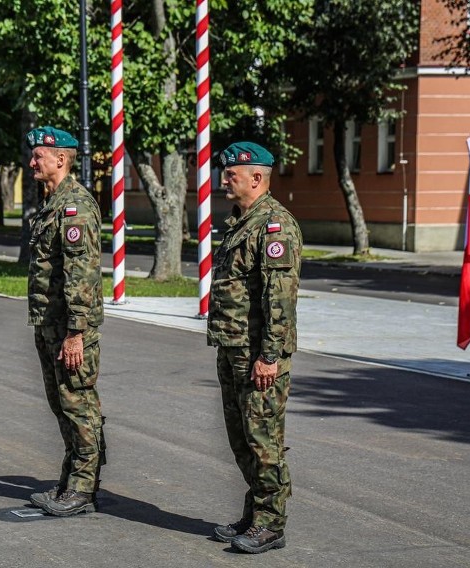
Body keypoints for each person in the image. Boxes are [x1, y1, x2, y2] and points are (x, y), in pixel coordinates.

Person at [207, 141, 302, 553]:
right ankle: (255, 512)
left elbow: (278, 301)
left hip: (258, 355)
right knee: (241, 437)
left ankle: (271, 523)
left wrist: (269, 356)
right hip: (232, 347)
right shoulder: (240, 222)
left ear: (257, 178)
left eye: (232, 174)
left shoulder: (274, 226)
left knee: (264, 439)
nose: (225, 179)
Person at [25, 126, 106, 517]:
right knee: (63, 404)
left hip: (69, 328)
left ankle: (83, 488)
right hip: (49, 323)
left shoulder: (76, 207)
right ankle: (73, 478)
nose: (32, 162)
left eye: (38, 156)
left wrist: (76, 333)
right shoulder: (53, 204)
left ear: (60, 159)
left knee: (78, 403)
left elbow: (82, 276)